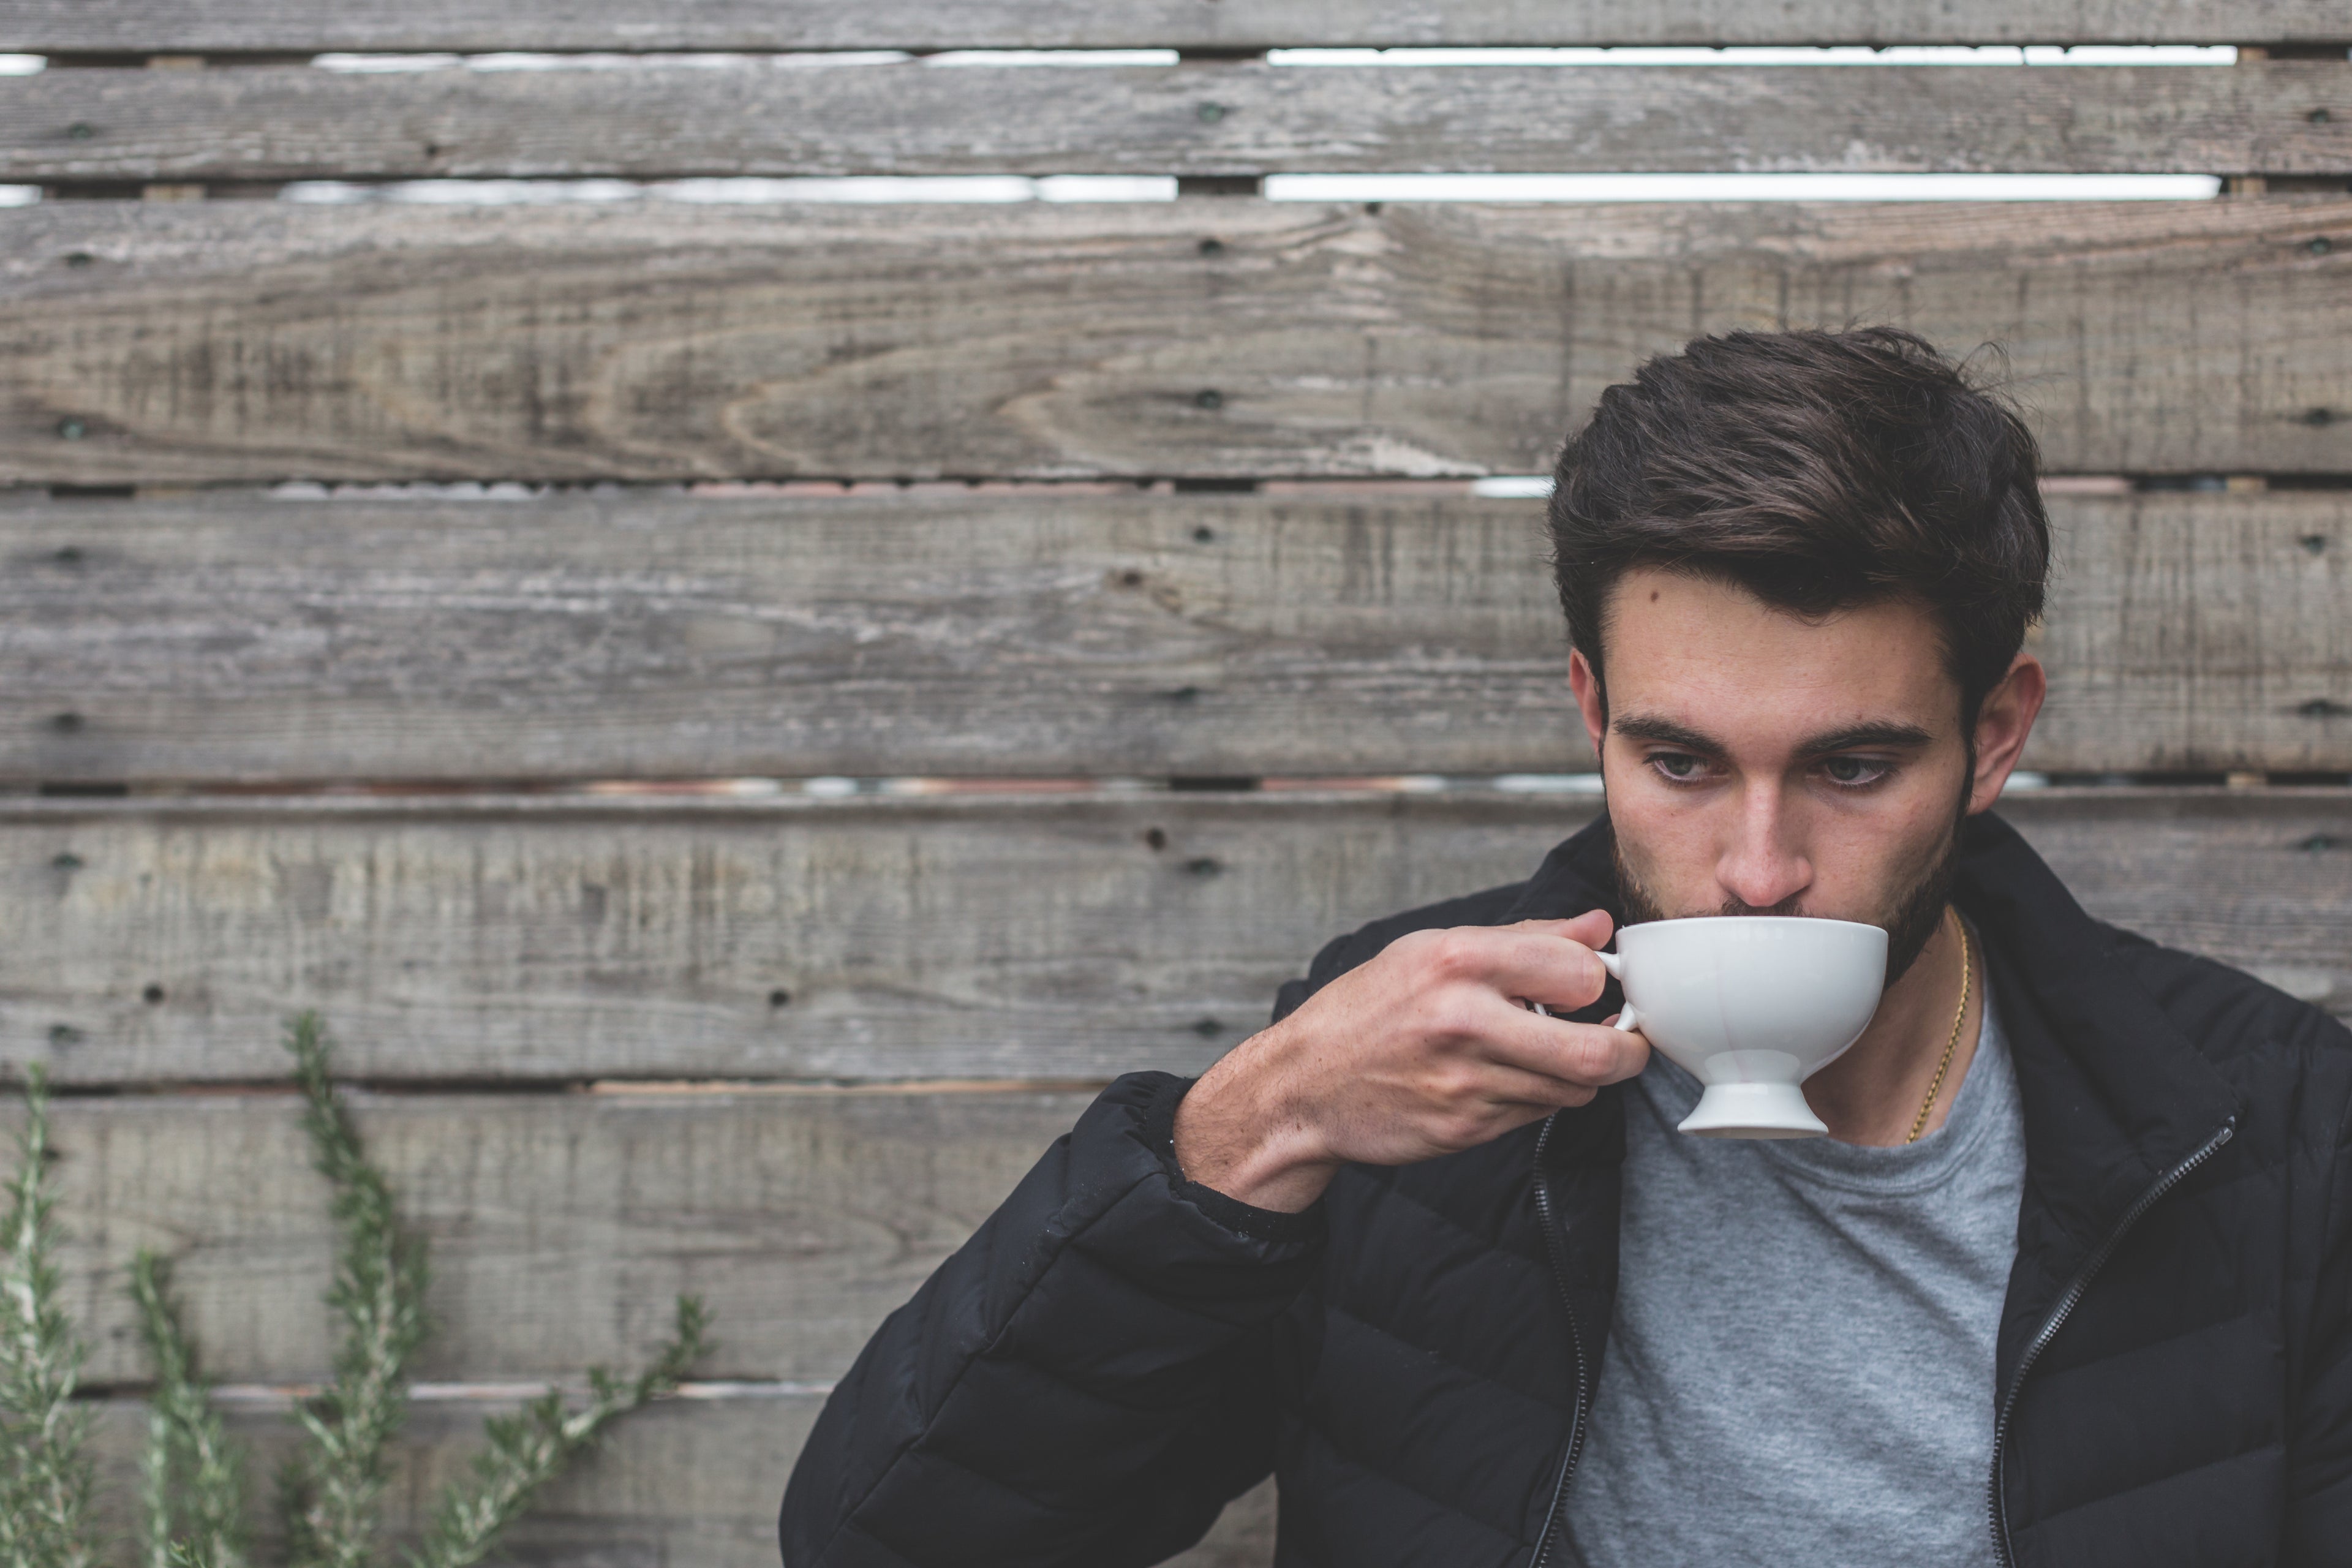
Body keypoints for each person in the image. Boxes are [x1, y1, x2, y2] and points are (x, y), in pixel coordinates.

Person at [778, 329, 2351, 1568]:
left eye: (1851, 767)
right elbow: (893, 1543)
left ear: (1994, 734)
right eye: (1679, 762)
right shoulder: (1397, 1066)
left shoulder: (2267, 1128)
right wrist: (1256, 1127)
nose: (1756, 868)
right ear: (1593, 715)